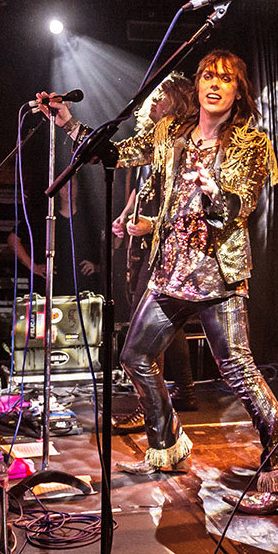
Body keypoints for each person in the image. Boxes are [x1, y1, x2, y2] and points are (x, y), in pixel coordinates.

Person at [36, 50, 278, 514]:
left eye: (226, 78)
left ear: (238, 91)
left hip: (217, 275)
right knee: (135, 355)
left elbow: (240, 206)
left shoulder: (251, 143)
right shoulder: (171, 133)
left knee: (240, 373)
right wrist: (67, 122)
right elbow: (118, 153)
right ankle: (169, 441)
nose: (215, 84)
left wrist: (214, 190)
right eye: (208, 75)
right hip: (170, 271)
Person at [112, 72, 199, 425]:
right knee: (165, 320)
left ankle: (149, 406)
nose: (151, 105)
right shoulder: (158, 137)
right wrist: (124, 216)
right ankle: (185, 391)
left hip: (170, 241)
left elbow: (187, 200)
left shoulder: (183, 138)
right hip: (149, 237)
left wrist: (152, 225)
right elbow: (144, 186)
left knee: (148, 321)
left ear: (174, 100)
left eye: (158, 100)